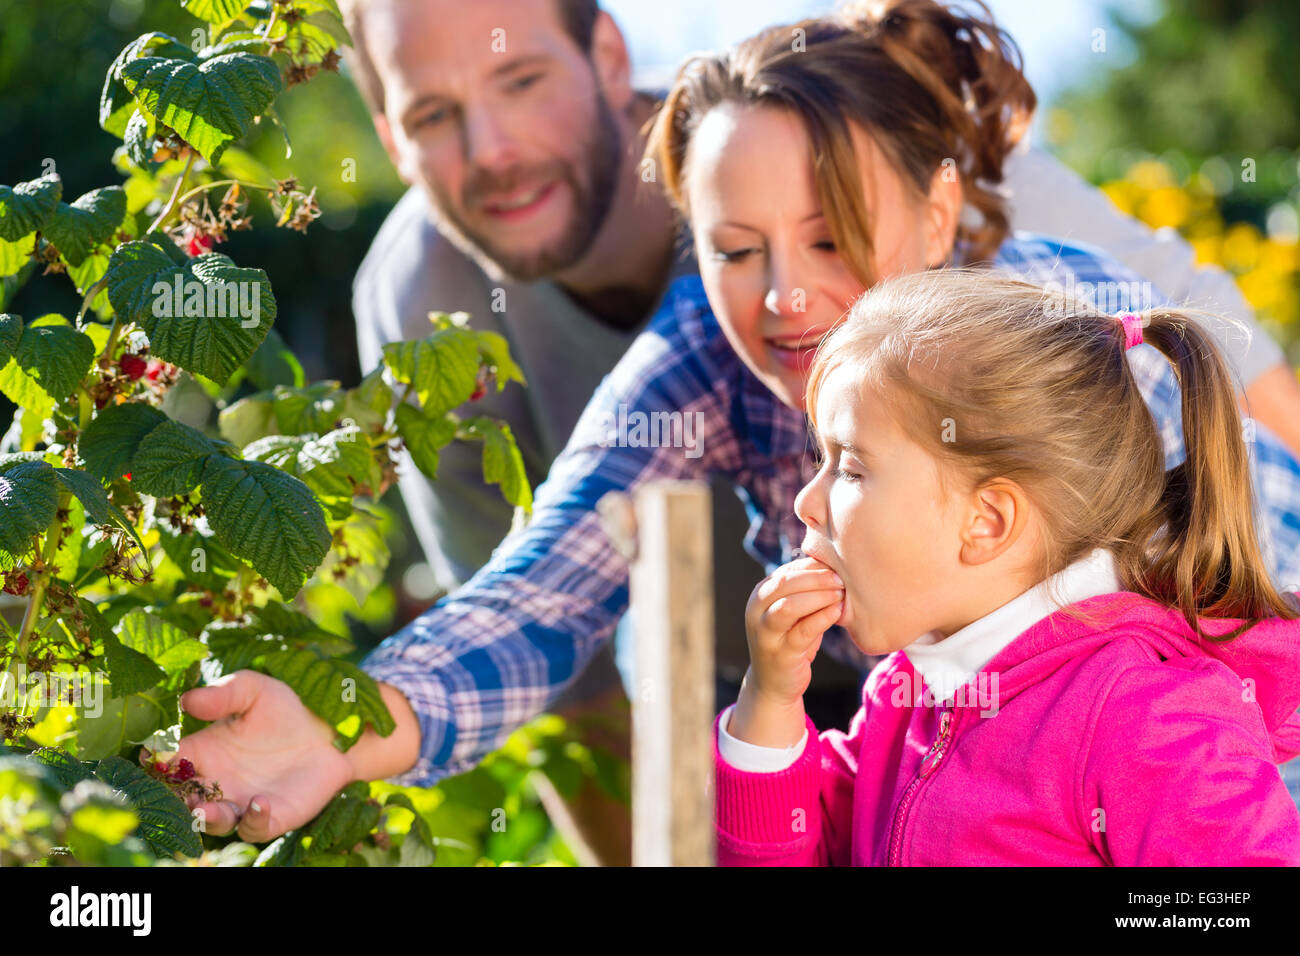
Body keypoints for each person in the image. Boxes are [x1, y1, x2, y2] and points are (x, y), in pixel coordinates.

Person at [176, 0, 1300, 846]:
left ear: (937, 214)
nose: (785, 296)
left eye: (829, 234)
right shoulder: (704, 360)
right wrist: (336, 721)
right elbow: (543, 587)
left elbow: (1248, 598)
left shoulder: (1061, 331)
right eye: (734, 249)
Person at [717, 267, 1300, 865]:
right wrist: (770, 701)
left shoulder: (1143, 713)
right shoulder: (906, 693)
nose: (804, 502)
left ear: (987, 523)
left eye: (852, 469)